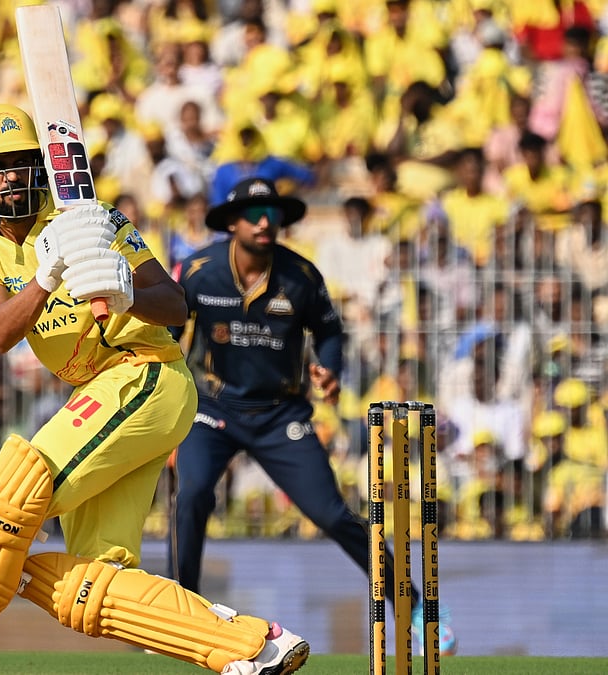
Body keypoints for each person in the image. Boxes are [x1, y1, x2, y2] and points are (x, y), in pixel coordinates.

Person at [0, 104, 309, 675]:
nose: (11, 176)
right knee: (86, 579)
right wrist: (48, 278)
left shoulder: (90, 218)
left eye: (22, 163)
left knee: (5, 497)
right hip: (98, 395)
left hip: (145, 373)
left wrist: (123, 291)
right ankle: (250, 646)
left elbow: (174, 304)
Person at [170, 178, 455, 656]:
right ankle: (181, 616)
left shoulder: (301, 275)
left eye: (273, 212)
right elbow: (169, 329)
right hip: (213, 408)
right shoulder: (199, 271)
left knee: (331, 513)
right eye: (255, 213)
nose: (266, 222)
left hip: (281, 413)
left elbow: (329, 332)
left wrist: (330, 369)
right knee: (192, 494)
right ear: (232, 223)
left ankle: (414, 607)